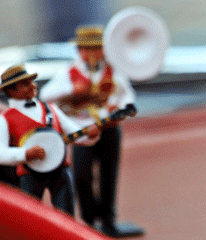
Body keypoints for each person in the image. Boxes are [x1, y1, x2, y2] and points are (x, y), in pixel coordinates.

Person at [39, 26, 143, 237]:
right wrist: (72, 91)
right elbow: (45, 95)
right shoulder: (69, 73)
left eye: (96, 48)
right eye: (87, 49)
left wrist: (119, 108)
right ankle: (89, 219)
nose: (92, 53)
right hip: (82, 130)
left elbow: (127, 95)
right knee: (82, 176)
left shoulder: (113, 70)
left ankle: (108, 219)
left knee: (108, 175)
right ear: (79, 51)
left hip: (109, 129)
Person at [0, 64, 99, 215]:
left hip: (60, 170)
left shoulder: (51, 108)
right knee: (30, 216)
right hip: (30, 174)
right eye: (25, 84)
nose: (32, 86)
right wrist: (25, 154)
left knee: (66, 214)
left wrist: (88, 134)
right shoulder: (5, 119)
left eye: (31, 82)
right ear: (11, 91)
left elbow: (73, 131)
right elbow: (1, 152)